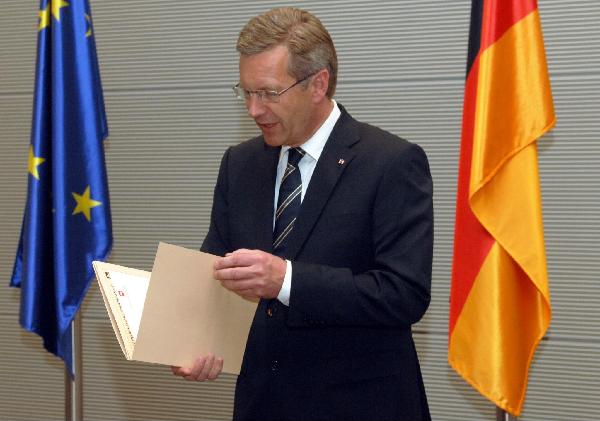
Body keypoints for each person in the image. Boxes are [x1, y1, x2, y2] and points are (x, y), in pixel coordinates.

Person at [172, 7, 433, 421]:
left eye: (269, 93)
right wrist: (191, 342)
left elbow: (403, 295)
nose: (254, 110)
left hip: (360, 406)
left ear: (318, 84)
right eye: (246, 93)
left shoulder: (391, 162)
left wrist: (286, 280)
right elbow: (216, 272)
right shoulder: (240, 164)